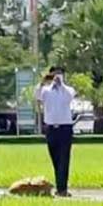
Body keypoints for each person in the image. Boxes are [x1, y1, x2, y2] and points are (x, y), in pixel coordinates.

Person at [35, 66, 76, 198]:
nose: (57, 76)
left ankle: (62, 189)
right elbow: (37, 95)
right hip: (51, 128)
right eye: (55, 74)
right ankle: (60, 186)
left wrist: (61, 85)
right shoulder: (46, 91)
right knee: (55, 158)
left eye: (60, 74)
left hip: (65, 128)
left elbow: (69, 97)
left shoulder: (68, 90)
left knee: (64, 158)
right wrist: (42, 81)